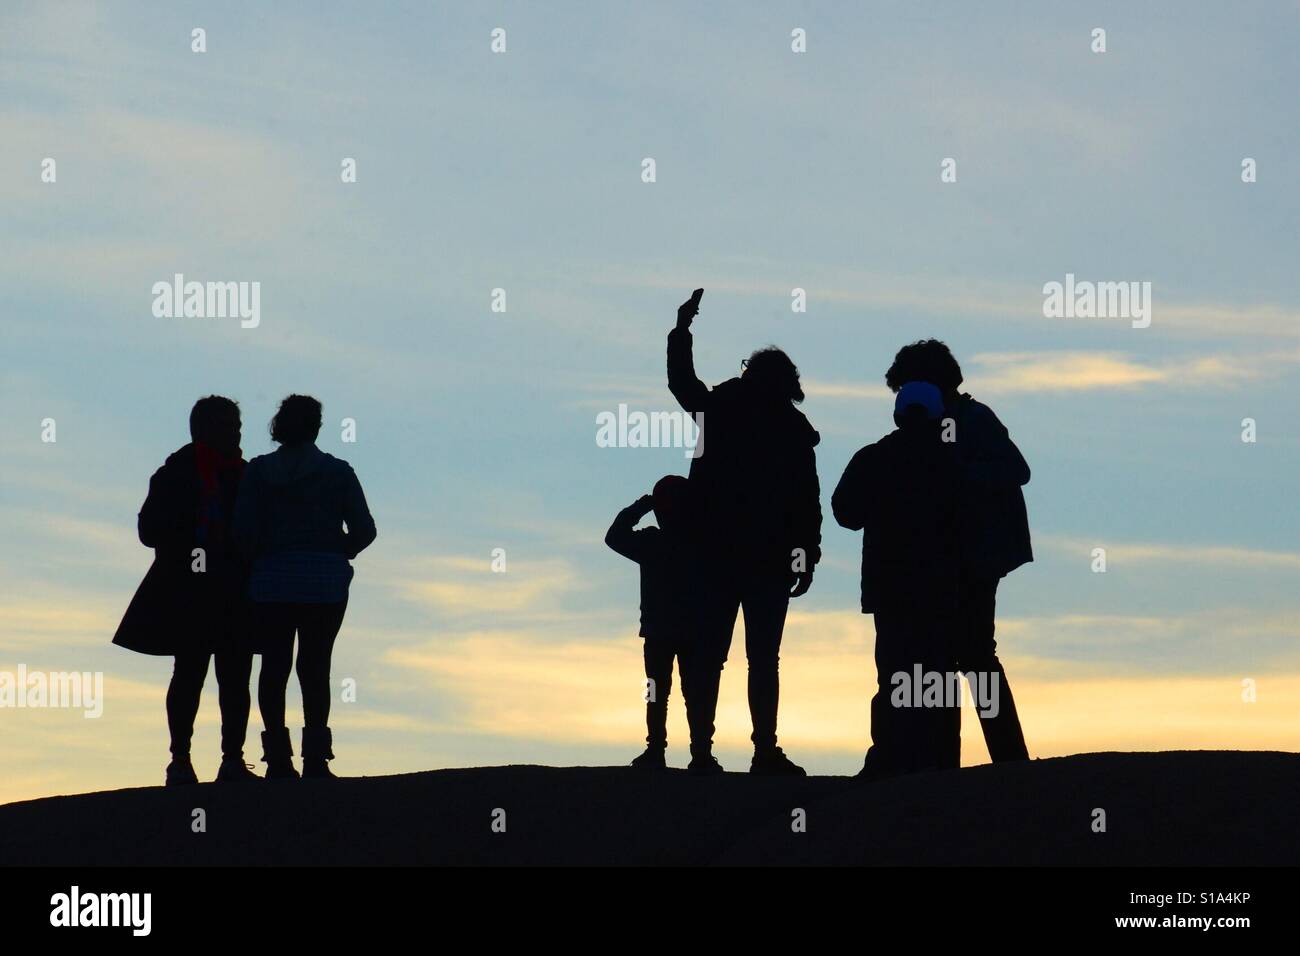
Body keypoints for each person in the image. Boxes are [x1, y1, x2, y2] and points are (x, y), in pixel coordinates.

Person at [666, 289, 822, 775]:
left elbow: (682, 384)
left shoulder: (723, 408)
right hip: (766, 559)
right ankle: (763, 751)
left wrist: (682, 330)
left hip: (717, 554)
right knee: (761, 660)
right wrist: (806, 555)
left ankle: (702, 752)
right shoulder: (793, 431)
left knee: (710, 655)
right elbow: (807, 502)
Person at [885, 340, 1031, 765]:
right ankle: (950, 760)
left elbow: (1017, 470)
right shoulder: (932, 424)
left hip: (975, 555)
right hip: (944, 557)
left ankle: (1007, 758)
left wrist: (960, 473)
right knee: (949, 654)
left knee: (973, 653)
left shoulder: (974, 417)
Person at [113, 395, 258, 785]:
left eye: (238, 427)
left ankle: (226, 760)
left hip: (215, 587)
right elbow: (149, 531)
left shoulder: (235, 474)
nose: (238, 434)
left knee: (224, 674)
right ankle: (185, 759)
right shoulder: (184, 473)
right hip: (200, 588)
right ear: (208, 430)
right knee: (199, 673)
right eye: (231, 427)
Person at [233, 395, 376, 780]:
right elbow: (365, 530)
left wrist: (262, 556)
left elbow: (243, 531)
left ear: (279, 425)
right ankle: (316, 758)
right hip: (324, 581)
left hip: (272, 580)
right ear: (316, 427)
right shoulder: (338, 472)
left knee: (273, 667)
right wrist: (338, 549)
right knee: (315, 667)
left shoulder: (259, 473)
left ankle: (278, 759)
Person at [832, 382, 962, 779]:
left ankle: (892, 755)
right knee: (939, 671)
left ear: (897, 416)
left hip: (890, 586)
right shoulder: (953, 461)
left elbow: (845, 513)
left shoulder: (874, 457)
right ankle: (940, 761)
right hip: (943, 586)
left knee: (894, 671)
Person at [605, 476, 709, 771]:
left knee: (663, 692)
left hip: (667, 630)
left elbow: (615, 536)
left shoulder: (655, 541)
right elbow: (614, 538)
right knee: (688, 692)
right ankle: (696, 752)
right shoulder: (698, 543)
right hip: (683, 630)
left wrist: (642, 506)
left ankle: (665, 750)